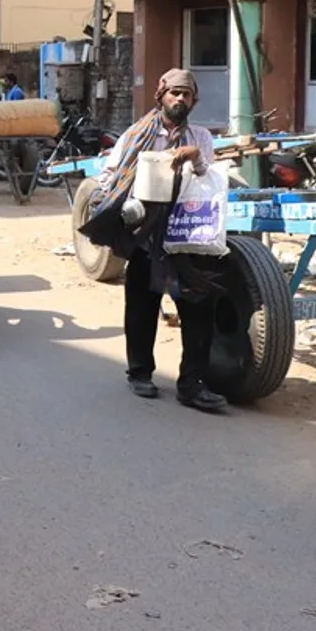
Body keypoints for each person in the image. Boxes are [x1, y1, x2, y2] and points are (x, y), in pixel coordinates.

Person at [82, 68, 226, 411]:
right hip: (147, 237)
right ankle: (140, 374)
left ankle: (192, 384)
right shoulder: (135, 136)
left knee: (197, 308)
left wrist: (197, 159)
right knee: (142, 306)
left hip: (187, 237)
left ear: (194, 101)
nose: (180, 99)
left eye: (186, 94)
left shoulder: (202, 138)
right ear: (160, 95)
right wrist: (123, 199)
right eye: (174, 92)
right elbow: (108, 178)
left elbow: (211, 185)